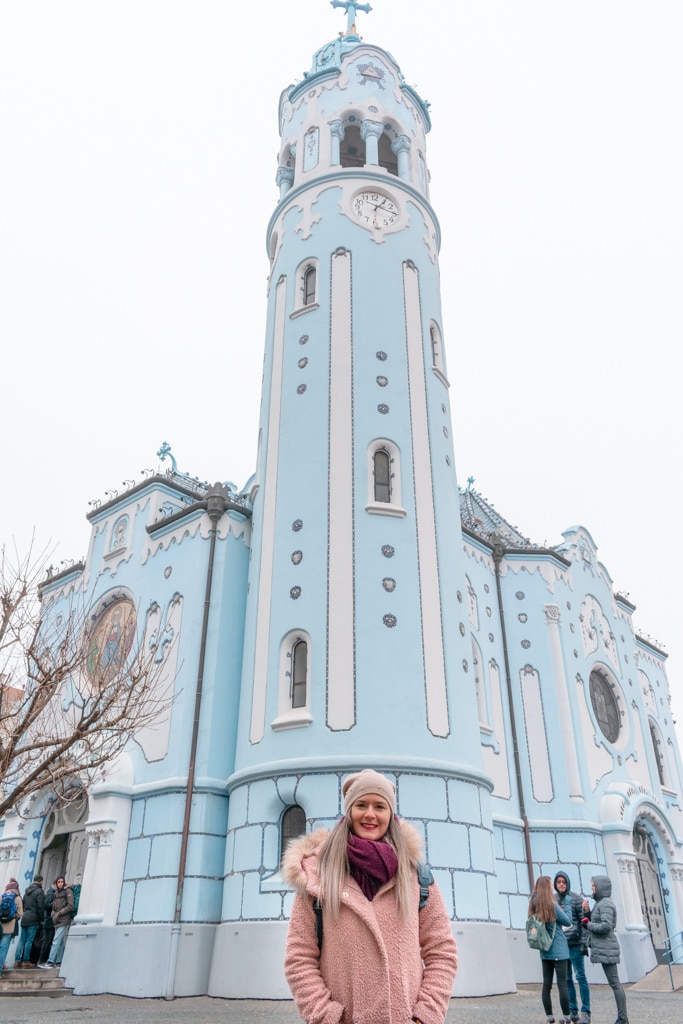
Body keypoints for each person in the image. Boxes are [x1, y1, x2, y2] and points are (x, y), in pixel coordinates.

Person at [283, 769, 458, 1024]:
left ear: (390, 814)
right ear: (349, 811)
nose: (370, 814)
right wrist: (326, 1017)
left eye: (380, 806)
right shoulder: (317, 875)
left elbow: (442, 951)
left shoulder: (415, 875)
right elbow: (299, 957)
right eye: (361, 804)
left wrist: (426, 1016)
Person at [581, 875, 628, 1024]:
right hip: (604, 948)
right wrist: (588, 912)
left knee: (615, 984)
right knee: (614, 983)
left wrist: (588, 925)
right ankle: (622, 1018)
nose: (592, 889)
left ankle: (623, 1018)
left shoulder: (606, 904)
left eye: (594, 886)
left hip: (607, 948)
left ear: (601, 887)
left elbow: (606, 926)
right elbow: (597, 921)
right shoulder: (600, 903)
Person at [529, 875, 572, 1024]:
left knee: (546, 985)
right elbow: (567, 921)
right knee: (562, 985)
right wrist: (567, 902)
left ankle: (549, 1017)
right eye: (551, 886)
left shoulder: (534, 904)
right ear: (547, 888)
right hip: (559, 950)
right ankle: (567, 1017)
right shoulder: (552, 905)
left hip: (545, 950)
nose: (553, 888)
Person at [554, 872, 591, 1023]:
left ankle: (586, 1011)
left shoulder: (576, 899)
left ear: (567, 883)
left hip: (575, 944)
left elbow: (584, 922)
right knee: (567, 979)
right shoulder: (554, 900)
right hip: (562, 946)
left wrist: (583, 943)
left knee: (581, 977)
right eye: (558, 882)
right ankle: (572, 1011)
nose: (561, 884)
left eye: (563, 882)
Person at [38, 876, 73, 969]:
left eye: (62, 882)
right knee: (60, 942)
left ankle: (50, 961)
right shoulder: (56, 893)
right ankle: (59, 962)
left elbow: (70, 905)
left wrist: (59, 913)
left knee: (55, 940)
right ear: (56, 884)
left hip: (64, 919)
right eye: (58, 882)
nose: (60, 883)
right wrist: (53, 915)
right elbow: (53, 906)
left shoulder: (68, 891)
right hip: (56, 919)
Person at [14, 874, 45, 968]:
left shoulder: (26, 892)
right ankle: (26, 960)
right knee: (29, 941)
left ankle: (17, 960)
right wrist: (41, 919)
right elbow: (40, 907)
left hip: (25, 917)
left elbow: (23, 905)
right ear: (40, 881)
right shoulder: (39, 891)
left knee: (22, 940)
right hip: (33, 918)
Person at [0, 879, 23, 973]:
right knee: (3, 950)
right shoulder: (17, 898)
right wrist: (13, 918)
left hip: (0, 925)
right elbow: (20, 913)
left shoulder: (2, 897)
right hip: (9, 927)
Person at [36, 879, 57, 968]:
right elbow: (47, 905)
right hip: (49, 920)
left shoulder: (52, 892)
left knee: (49, 940)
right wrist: (56, 904)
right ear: (55, 884)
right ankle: (41, 960)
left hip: (50, 920)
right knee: (47, 941)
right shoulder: (51, 893)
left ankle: (45, 960)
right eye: (58, 883)